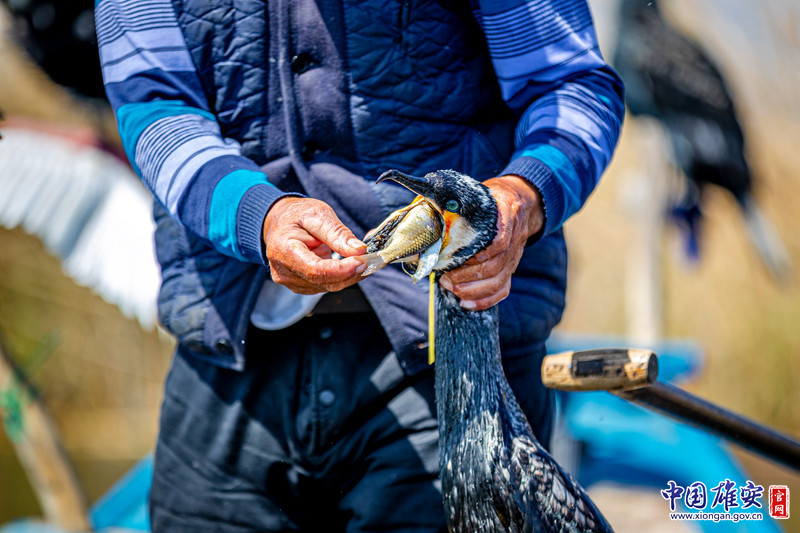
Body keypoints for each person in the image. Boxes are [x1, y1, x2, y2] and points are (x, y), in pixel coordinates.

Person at [95, 0, 624, 530]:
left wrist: (521, 199)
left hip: (457, 374)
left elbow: (572, 85)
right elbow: (155, 104)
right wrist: (256, 217)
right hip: (224, 361)